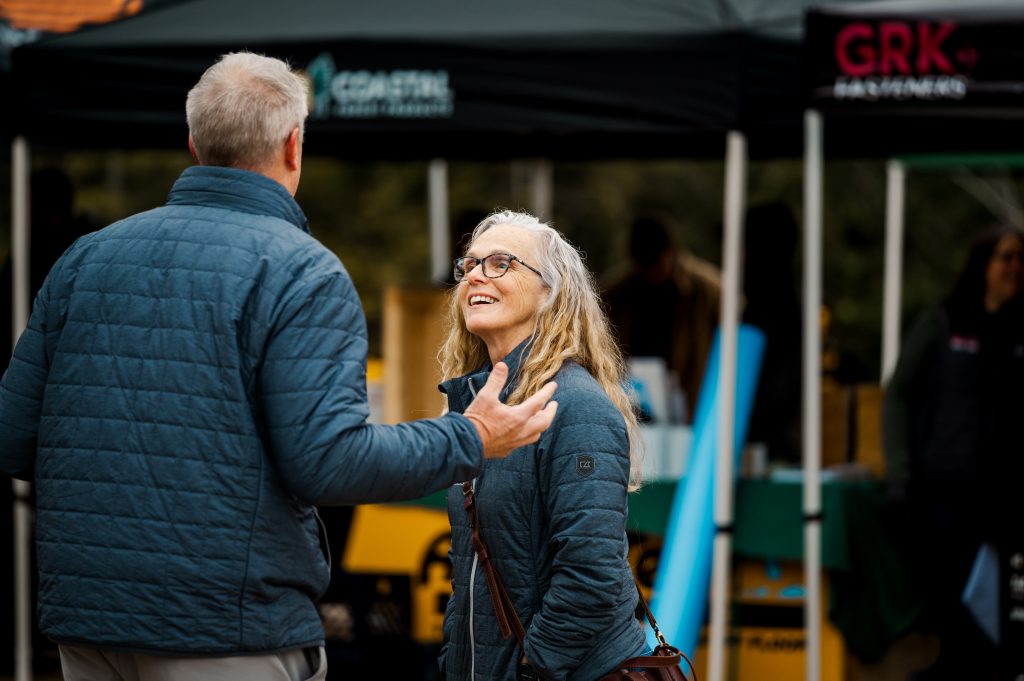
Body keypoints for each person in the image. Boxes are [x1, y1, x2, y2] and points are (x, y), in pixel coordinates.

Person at [0, 52, 557, 681]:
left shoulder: (83, 259)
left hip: (88, 617)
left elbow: (16, 439)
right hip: (223, 626)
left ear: (193, 143)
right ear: (294, 146)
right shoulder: (302, 270)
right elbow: (330, 463)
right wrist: (473, 436)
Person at [437, 211, 648, 681]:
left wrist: (534, 669)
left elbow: (591, 576)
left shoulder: (577, 407)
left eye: (500, 263)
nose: (474, 275)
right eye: (469, 264)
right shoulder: (474, 405)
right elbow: (468, 568)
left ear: (552, 292)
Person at [883, 225, 1024, 680]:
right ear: (982, 264)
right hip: (943, 487)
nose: (1014, 267)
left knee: (1005, 599)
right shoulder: (944, 320)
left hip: (1005, 492)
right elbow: (898, 393)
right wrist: (900, 475)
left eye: (1020, 258)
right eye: (1005, 257)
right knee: (950, 596)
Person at [601, 214, 721, 421]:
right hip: (634, 398)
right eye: (644, 264)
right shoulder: (615, 292)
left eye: (656, 263)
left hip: (693, 403)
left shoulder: (708, 291)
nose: (652, 273)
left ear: (672, 252)